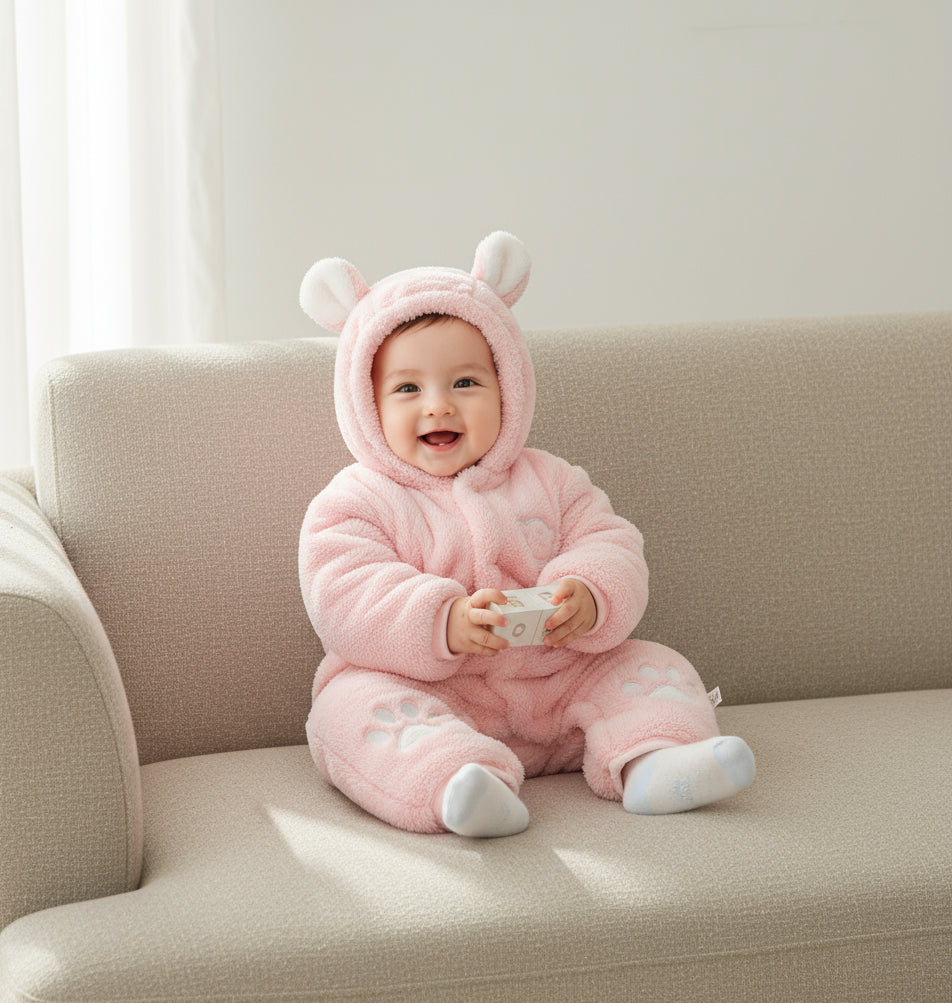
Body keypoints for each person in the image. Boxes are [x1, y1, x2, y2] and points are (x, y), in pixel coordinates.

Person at [298, 231, 755, 837]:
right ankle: (457, 785)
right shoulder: (355, 501)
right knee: (346, 709)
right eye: (408, 388)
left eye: (465, 383)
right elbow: (344, 595)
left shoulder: (553, 479)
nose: (438, 406)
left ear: (508, 388)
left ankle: (654, 761)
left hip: (558, 684)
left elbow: (611, 542)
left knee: (652, 665)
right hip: (431, 693)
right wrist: (444, 620)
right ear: (365, 402)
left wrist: (588, 594)